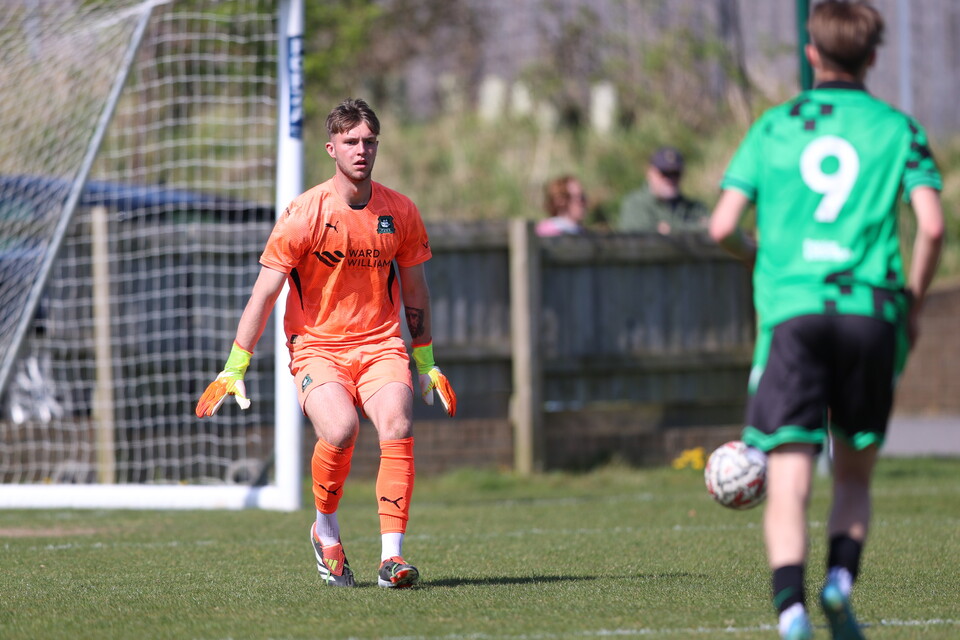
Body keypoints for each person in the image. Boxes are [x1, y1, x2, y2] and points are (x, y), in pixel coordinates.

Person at [708, 2, 944, 639]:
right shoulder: (898, 128)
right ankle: (839, 584)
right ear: (872, 57)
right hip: (870, 313)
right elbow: (931, 226)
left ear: (812, 53)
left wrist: (759, 254)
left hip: (795, 314)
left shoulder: (775, 126)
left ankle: (791, 612)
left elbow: (722, 226)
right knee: (854, 474)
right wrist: (913, 305)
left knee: (789, 477)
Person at [195, 98, 457, 589]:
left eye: (369, 141)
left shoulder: (400, 210)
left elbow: (416, 291)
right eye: (351, 141)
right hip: (317, 347)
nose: (361, 150)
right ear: (331, 148)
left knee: (397, 424)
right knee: (339, 430)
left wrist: (426, 361)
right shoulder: (304, 213)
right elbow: (265, 293)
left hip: (381, 343)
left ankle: (391, 558)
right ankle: (325, 530)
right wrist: (235, 365)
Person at [618, 146, 709, 234]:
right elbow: (638, 238)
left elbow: (711, 231)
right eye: (664, 173)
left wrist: (670, 230)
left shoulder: (694, 207)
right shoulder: (635, 204)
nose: (670, 179)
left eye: (675, 174)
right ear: (650, 172)